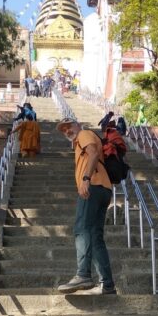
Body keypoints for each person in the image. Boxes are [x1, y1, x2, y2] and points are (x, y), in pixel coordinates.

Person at [55, 118, 116, 295]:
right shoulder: (79, 141)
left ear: (77, 125)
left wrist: (86, 179)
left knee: (81, 229)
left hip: (94, 186)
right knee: (96, 237)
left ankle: (83, 274)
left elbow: (94, 152)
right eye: (63, 129)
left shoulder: (84, 134)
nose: (67, 130)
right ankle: (108, 285)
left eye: (69, 126)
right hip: (103, 189)